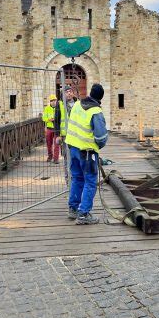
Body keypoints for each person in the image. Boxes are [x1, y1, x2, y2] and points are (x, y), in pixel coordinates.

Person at [65, 83, 108, 225]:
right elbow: (101, 138)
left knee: (77, 178)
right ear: (100, 98)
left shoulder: (77, 104)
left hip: (73, 148)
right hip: (87, 152)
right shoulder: (95, 111)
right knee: (90, 181)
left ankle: (73, 208)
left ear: (90, 93)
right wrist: (98, 146)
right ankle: (83, 214)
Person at [42, 94, 59, 163]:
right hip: (49, 128)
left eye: (54, 100)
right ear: (50, 102)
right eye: (52, 101)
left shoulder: (59, 108)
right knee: (49, 144)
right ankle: (50, 156)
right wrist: (49, 119)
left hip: (56, 128)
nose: (53, 102)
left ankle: (56, 159)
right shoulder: (46, 108)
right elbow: (43, 118)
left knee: (56, 144)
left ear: (56, 101)